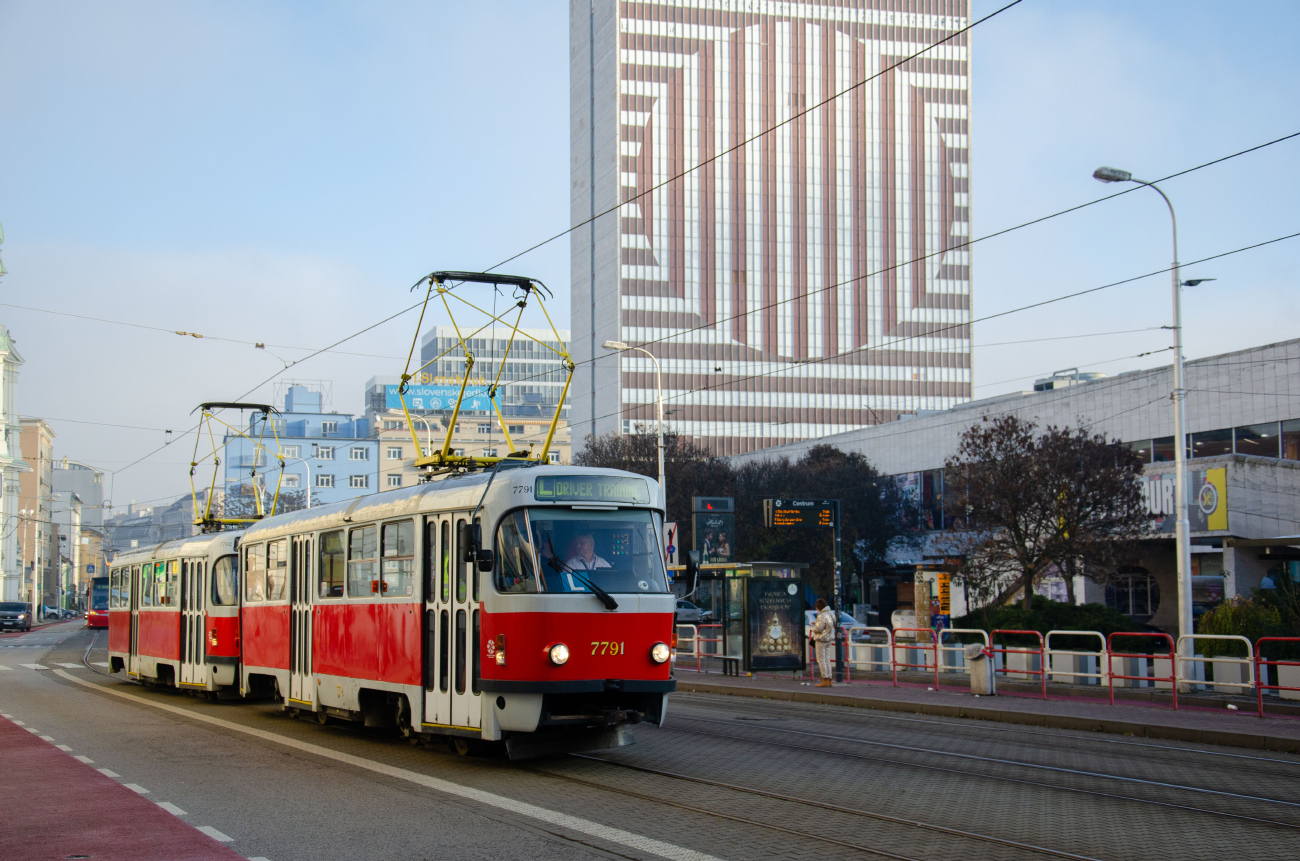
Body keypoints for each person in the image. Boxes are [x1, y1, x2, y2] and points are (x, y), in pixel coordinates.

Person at [809, 598, 837, 687]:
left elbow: (818, 628)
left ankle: (824, 679)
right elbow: (833, 623)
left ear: (819, 607)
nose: (816, 610)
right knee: (827, 659)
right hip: (829, 639)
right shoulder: (831, 613)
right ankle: (829, 679)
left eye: (817, 608)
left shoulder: (821, 615)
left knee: (821, 660)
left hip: (821, 639)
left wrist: (812, 627)